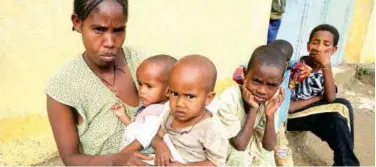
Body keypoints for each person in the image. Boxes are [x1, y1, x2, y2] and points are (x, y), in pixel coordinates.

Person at [45, 0, 153, 165]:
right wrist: (116, 160)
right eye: (99, 30)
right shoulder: (62, 85)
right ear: (78, 23)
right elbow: (70, 158)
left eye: (118, 30)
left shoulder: (139, 63)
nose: (110, 42)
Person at [287, 24, 360, 166]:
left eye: (326, 44)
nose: (319, 48)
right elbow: (289, 107)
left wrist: (326, 67)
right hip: (290, 117)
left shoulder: (324, 74)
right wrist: (319, 97)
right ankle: (347, 163)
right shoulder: (294, 68)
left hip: (310, 115)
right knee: (342, 105)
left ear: (333, 50)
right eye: (315, 42)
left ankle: (343, 162)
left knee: (338, 121)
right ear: (308, 46)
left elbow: (330, 97)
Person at [151, 55, 229, 166]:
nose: (179, 103)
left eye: (190, 96)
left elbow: (216, 163)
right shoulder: (171, 114)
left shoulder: (211, 128)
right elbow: (157, 137)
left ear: (208, 98)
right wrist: (160, 146)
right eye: (175, 94)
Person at [217, 45, 286, 166]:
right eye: (256, 81)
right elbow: (240, 145)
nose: (262, 91)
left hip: (254, 147)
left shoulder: (272, 100)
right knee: (237, 159)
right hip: (230, 146)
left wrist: (270, 116)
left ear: (280, 83)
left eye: (271, 85)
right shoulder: (229, 97)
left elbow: (269, 146)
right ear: (245, 74)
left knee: (268, 159)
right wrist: (253, 109)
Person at [111, 55, 177, 154]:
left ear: (168, 91)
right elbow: (138, 129)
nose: (141, 91)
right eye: (140, 84)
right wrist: (123, 116)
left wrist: (122, 155)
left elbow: (145, 136)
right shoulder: (151, 108)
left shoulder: (159, 111)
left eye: (149, 86)